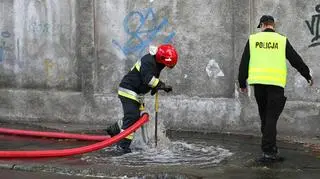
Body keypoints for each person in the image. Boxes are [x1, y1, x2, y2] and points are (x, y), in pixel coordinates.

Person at [238, 15, 314, 162]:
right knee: (271, 118)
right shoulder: (281, 40)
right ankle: (268, 151)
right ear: (273, 25)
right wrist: (307, 75)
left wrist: (242, 83)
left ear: (261, 25)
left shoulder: (253, 39)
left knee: (265, 116)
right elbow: (295, 59)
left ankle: (270, 149)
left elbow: (244, 62)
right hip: (275, 84)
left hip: (258, 84)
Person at [106, 44, 178, 153]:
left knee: (134, 118)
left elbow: (150, 79)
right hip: (128, 90)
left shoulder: (158, 63)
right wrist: (160, 85)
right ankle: (122, 146)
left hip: (136, 93)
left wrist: (156, 86)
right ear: (161, 58)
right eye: (167, 64)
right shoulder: (148, 61)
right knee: (132, 117)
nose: (166, 66)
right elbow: (148, 79)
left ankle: (116, 129)